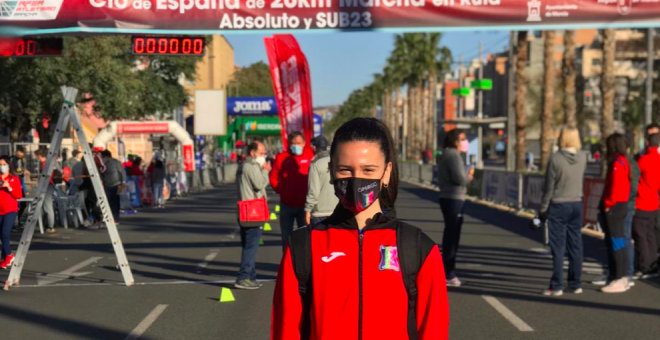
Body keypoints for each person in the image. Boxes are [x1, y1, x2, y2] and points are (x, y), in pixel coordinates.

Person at [272, 118, 449, 340]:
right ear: (331, 171)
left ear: (386, 172)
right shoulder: (302, 246)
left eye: (368, 170)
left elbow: (433, 332)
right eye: (345, 170)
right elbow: (285, 330)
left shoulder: (418, 247)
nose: (356, 180)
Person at [539, 127, 587, 297]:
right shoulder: (583, 157)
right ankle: (575, 283)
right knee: (576, 244)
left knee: (558, 247)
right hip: (576, 203)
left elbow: (549, 187)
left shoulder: (556, 159)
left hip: (559, 204)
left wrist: (543, 208)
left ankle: (556, 285)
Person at [437, 129, 473, 287]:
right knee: (452, 236)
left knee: (451, 234)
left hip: (449, 197)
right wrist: (469, 176)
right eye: (462, 139)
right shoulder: (453, 155)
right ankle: (448, 272)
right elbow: (459, 178)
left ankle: (448, 271)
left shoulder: (448, 154)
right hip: (453, 198)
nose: (466, 142)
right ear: (455, 141)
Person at [597, 133, 632, 293]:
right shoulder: (623, 161)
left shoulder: (617, 163)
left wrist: (608, 205)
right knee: (616, 242)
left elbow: (615, 187)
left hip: (615, 207)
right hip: (620, 205)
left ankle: (620, 277)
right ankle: (616, 276)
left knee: (617, 243)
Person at [235, 141, 271, 290]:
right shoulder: (251, 166)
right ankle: (243, 277)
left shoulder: (244, 166)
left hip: (246, 210)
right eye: (261, 153)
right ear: (252, 152)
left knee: (249, 245)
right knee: (251, 246)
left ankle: (251, 276)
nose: (263, 156)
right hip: (252, 211)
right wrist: (265, 171)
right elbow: (259, 184)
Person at [269, 131, 314, 246]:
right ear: (289, 144)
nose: (296, 146)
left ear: (304, 143)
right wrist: (280, 190)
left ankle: (303, 263)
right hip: (286, 204)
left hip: (304, 205)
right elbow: (273, 175)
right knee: (286, 237)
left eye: (299, 143)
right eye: (293, 143)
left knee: (305, 237)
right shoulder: (281, 157)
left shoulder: (310, 156)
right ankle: (287, 262)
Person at [632, 133, 660, 278]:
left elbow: (633, 176)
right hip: (654, 203)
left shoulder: (643, 160)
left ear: (648, 143)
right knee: (650, 235)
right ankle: (653, 264)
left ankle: (644, 266)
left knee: (640, 236)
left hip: (641, 202)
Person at [304, 136, 338, 227]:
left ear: (314, 148)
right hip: (338, 210)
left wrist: (308, 209)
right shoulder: (338, 161)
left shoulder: (315, 164)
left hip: (320, 212)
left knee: (319, 241)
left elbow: (313, 190)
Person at [0, 156, 23, 269]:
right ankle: (4, 259)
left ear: (8, 165)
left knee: (5, 233)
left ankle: (9, 255)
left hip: (10, 209)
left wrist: (9, 187)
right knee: (1, 235)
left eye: (4, 164)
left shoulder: (14, 178)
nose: (2, 166)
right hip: (0, 210)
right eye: (0, 164)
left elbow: (18, 195)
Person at [35, 149, 59, 233]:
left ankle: (50, 226)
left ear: (39, 156)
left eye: (36, 156)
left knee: (48, 207)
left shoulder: (45, 164)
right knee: (46, 207)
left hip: (46, 186)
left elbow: (45, 177)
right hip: (49, 186)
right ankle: (48, 225)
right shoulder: (48, 163)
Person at [101, 150, 126, 224]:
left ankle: (116, 218)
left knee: (115, 202)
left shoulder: (115, 162)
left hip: (117, 185)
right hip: (108, 184)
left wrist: (123, 182)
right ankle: (110, 217)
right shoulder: (102, 163)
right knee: (109, 202)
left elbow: (122, 172)